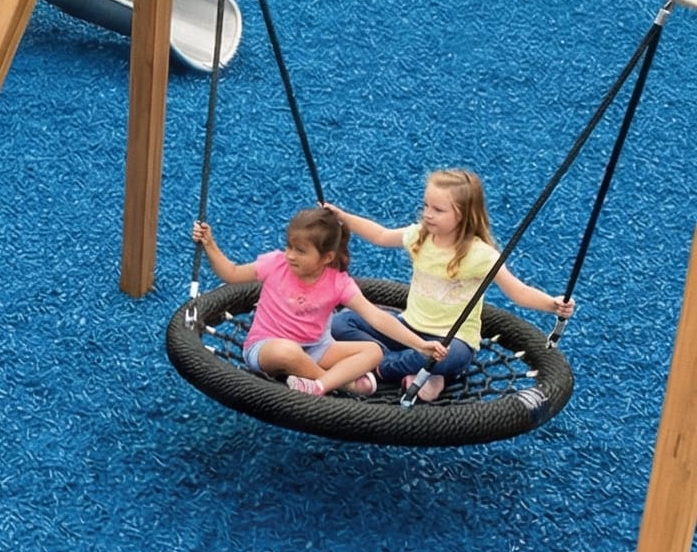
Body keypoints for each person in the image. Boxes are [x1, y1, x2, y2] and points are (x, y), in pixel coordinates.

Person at [328, 169, 576, 404]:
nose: (428, 214)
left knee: (447, 356)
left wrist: (552, 304)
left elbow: (517, 292)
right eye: (426, 206)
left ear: (463, 215)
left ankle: (382, 368)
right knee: (342, 322)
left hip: (451, 339)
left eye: (438, 209)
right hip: (409, 330)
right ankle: (406, 365)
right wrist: (343, 217)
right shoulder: (420, 236)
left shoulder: (480, 255)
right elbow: (381, 236)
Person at [193, 204, 441, 398]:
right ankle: (341, 384)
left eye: (300, 251)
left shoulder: (338, 282)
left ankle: (320, 385)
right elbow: (232, 274)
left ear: (326, 257)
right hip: (267, 347)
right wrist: (210, 244)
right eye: (289, 246)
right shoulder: (276, 263)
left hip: (316, 348)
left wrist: (419, 344)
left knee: (373, 351)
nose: (290, 255)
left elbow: (375, 316)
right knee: (287, 351)